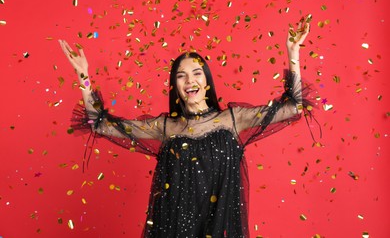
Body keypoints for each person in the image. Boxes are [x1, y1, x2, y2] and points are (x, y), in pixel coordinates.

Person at [59, 18, 312, 237]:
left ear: (207, 82)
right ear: (175, 86)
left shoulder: (233, 119)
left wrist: (293, 55)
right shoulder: (166, 127)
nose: (190, 80)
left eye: (197, 73)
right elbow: (100, 125)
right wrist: (83, 77)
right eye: (181, 75)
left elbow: (293, 108)